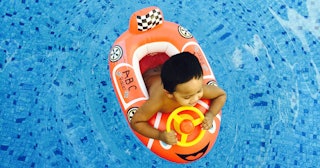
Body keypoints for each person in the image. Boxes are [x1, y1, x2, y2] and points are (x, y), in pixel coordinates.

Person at [130, 52, 227, 145]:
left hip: (166, 76)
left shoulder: (192, 88)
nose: (195, 99)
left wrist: (210, 114)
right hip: (150, 76)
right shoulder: (159, 101)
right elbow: (136, 122)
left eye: (198, 91)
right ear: (169, 94)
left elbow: (221, 95)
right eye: (187, 97)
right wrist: (160, 135)